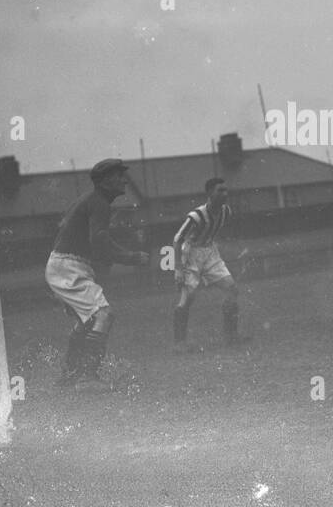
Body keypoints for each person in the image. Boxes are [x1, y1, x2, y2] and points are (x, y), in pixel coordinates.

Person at [44, 158, 149, 390]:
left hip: (65, 265)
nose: (124, 179)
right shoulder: (99, 203)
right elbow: (100, 244)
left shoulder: (91, 201)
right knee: (104, 314)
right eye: (118, 175)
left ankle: (69, 375)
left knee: (88, 320)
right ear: (103, 181)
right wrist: (132, 257)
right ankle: (87, 378)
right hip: (68, 266)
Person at [173, 177, 244, 348]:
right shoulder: (196, 216)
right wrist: (178, 268)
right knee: (188, 298)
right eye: (220, 190)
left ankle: (231, 336)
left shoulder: (226, 211)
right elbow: (177, 240)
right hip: (191, 254)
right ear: (210, 193)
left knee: (232, 289)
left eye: (226, 190)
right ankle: (179, 343)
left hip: (210, 252)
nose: (225, 194)